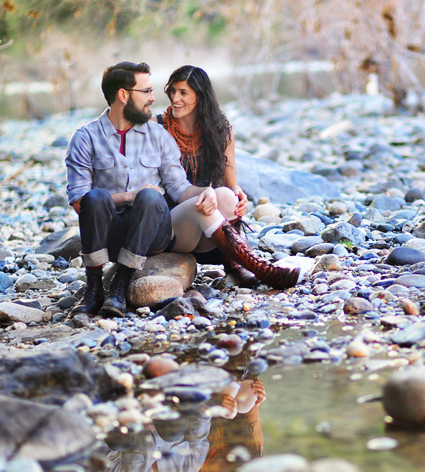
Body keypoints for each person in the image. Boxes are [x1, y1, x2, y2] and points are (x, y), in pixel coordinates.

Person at [66, 61, 211, 317]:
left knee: (150, 196)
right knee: (96, 197)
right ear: (123, 95)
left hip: (153, 233)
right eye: (146, 92)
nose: (153, 98)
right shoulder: (85, 137)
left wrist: (207, 192)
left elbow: (179, 188)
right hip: (109, 236)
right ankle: (93, 289)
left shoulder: (158, 136)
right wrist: (127, 196)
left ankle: (120, 284)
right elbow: (80, 202)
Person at [155, 65, 298, 289]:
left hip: (206, 229)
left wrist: (239, 196)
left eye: (183, 93)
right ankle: (260, 268)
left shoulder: (219, 129)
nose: (175, 98)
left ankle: (235, 265)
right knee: (203, 202)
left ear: (200, 96)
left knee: (227, 197)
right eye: (173, 91)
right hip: (172, 227)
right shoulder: (157, 127)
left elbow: (232, 183)